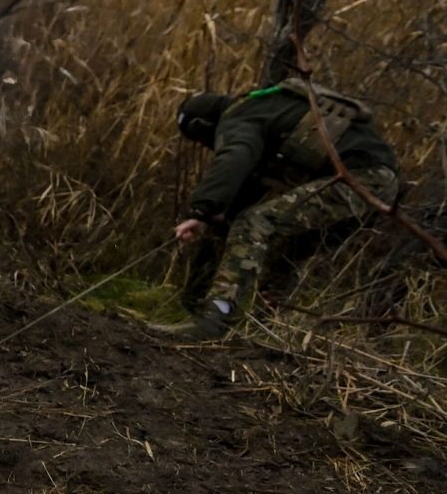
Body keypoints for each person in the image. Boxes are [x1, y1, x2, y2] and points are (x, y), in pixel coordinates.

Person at [165, 82, 400, 339]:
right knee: (290, 243)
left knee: (254, 223)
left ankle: (215, 319)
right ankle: (268, 321)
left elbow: (236, 155)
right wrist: (219, 212)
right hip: (381, 182)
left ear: (202, 126)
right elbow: (249, 182)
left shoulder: (238, 115)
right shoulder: (268, 108)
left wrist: (200, 210)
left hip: (361, 179)